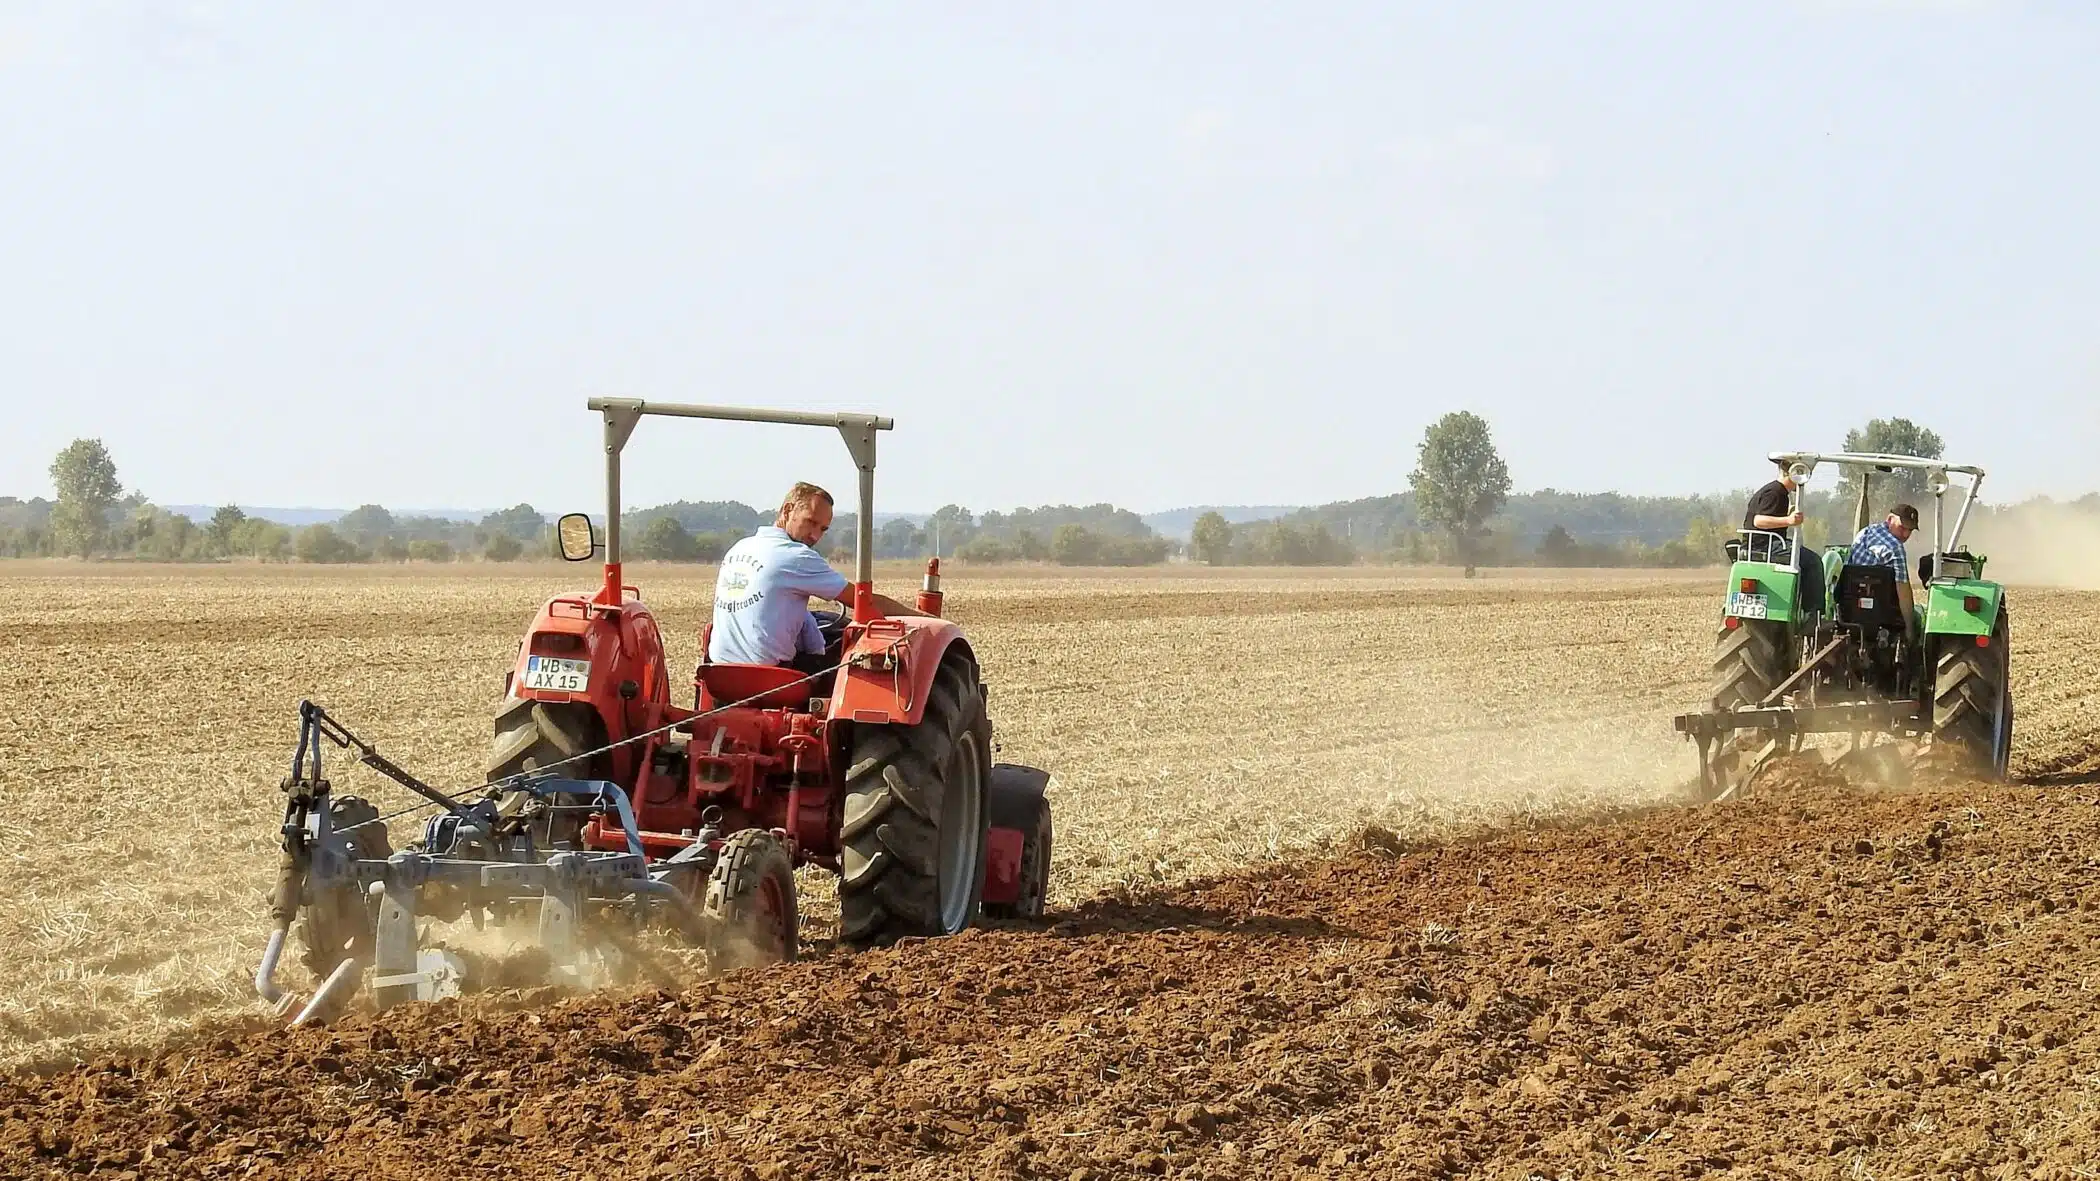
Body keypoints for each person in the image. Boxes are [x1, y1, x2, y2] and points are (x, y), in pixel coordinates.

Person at [709, 482, 923, 669]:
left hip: (719, 670)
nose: (815, 536)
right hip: (771, 674)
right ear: (787, 510)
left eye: (823, 529)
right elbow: (864, 601)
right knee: (854, 659)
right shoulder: (796, 556)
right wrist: (923, 619)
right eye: (811, 522)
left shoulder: (739, 548)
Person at [1740, 457, 1823, 618]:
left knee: (1802, 555)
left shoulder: (1773, 491)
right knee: (1813, 562)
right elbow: (1759, 520)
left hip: (1762, 544)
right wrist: (1788, 520)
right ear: (1792, 473)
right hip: (1766, 546)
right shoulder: (1776, 493)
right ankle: (1814, 615)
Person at [1849, 503, 1921, 635]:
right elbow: (1903, 590)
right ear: (1889, 519)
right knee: (1917, 617)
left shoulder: (1863, 533)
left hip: (1851, 607)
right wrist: (1910, 630)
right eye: (1902, 527)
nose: (1905, 534)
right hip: (1883, 613)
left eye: (1910, 530)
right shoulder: (1896, 547)